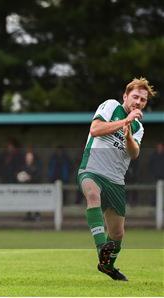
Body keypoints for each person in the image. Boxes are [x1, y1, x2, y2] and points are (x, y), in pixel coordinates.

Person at [77, 77, 156, 281]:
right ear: (125, 96)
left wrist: (128, 133)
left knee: (118, 234)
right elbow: (95, 129)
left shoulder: (138, 127)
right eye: (135, 97)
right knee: (93, 195)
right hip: (92, 170)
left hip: (115, 181)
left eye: (143, 100)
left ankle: (107, 266)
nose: (138, 102)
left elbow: (134, 153)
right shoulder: (111, 106)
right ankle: (101, 247)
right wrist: (124, 121)